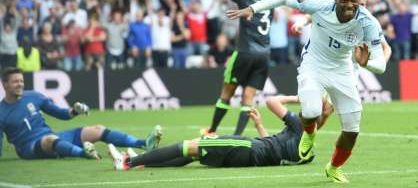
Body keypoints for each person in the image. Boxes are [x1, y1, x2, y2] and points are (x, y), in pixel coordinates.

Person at [226, 0, 386, 183]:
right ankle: (309, 135)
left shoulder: (368, 22)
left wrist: (366, 64)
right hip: (314, 65)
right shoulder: (320, 5)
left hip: (343, 70)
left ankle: (334, 168)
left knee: (352, 130)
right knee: (311, 111)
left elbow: (381, 65)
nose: (350, 4)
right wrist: (253, 9)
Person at [108, 95, 333, 170]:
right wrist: (259, 125)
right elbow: (274, 149)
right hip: (252, 154)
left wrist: (297, 97)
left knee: (191, 145)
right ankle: (142, 163)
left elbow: (271, 101)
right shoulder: (308, 149)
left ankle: (128, 162)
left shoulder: (300, 126)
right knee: (194, 154)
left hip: (248, 149)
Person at [0, 67, 162, 160]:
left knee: (97, 129)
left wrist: (74, 111)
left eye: (21, 80)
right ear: (5, 84)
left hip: (53, 138)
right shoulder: (1, 111)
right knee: (50, 139)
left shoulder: (34, 96)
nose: (20, 84)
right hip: (29, 149)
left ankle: (143, 143)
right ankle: (84, 153)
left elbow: (61, 114)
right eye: (15, 81)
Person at [201, 0, 279, 137]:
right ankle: (237, 137)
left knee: (227, 93)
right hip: (264, 55)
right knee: (248, 98)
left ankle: (212, 130)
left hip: (245, 52)